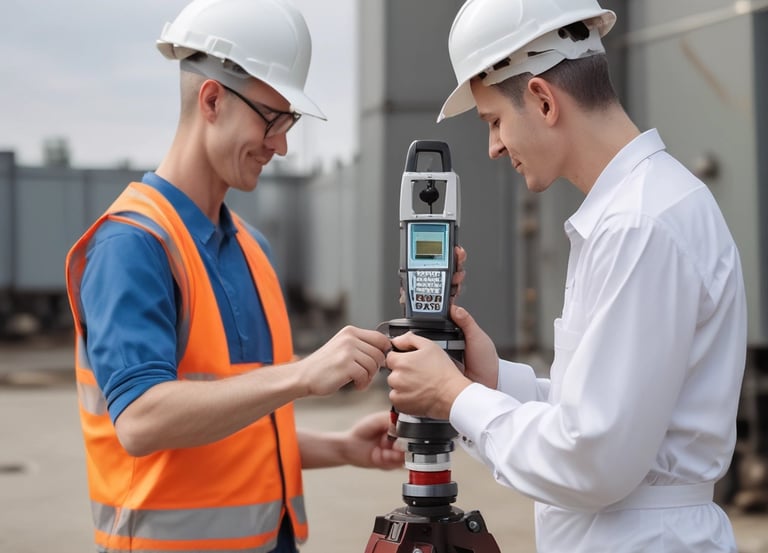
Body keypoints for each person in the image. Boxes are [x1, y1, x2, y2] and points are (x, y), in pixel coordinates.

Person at [385, 1, 748, 552]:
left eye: (494, 122)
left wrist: (453, 396)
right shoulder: (636, 211)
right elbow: (607, 413)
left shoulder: (638, 225)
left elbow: (592, 460)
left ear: (543, 99)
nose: (493, 147)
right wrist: (492, 381)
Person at [64, 1, 404, 552]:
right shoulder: (133, 244)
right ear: (213, 99)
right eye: (272, 119)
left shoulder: (252, 247)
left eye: (288, 122)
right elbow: (143, 420)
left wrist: (340, 446)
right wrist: (303, 375)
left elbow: (240, 423)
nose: (282, 144)